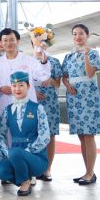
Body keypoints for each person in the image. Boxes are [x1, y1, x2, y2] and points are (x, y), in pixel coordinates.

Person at [0, 71, 51, 197]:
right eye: (14, 86)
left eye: (21, 85)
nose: (17, 89)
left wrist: (28, 151)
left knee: (16, 152)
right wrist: (6, 152)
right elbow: (0, 134)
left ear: (28, 86)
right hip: (15, 156)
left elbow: (45, 136)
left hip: (36, 158)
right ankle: (25, 179)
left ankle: (25, 182)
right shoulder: (7, 110)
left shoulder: (37, 108)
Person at [62, 24, 100, 186]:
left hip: (88, 96)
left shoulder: (93, 53)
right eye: (74, 34)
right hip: (74, 97)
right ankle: (87, 171)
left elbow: (90, 73)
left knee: (88, 135)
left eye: (81, 34)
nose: (77, 37)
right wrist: (67, 85)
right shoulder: (69, 56)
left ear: (87, 35)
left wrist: (86, 55)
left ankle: (90, 172)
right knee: (81, 136)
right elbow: (64, 76)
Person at [0, 28, 50, 123]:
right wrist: (0, 88)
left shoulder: (29, 60)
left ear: (18, 41)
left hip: (27, 105)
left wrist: (44, 61)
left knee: (27, 129)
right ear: (1, 42)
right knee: (5, 130)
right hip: (5, 103)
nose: (8, 43)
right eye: (5, 40)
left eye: (12, 40)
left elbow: (43, 76)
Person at [34, 52, 62, 182]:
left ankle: (47, 169)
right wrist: (32, 92)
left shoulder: (54, 61)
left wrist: (50, 79)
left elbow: (58, 83)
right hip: (33, 99)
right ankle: (34, 169)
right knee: (32, 134)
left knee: (50, 134)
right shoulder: (29, 61)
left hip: (50, 100)